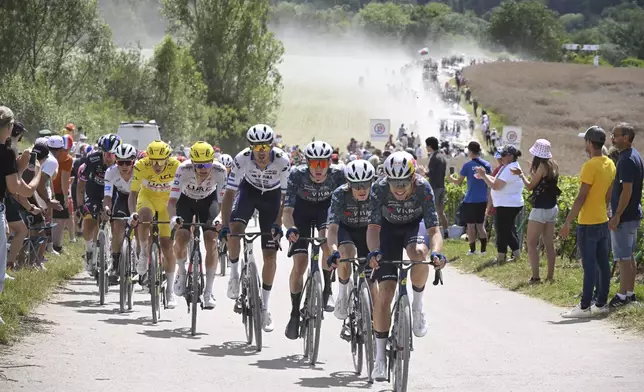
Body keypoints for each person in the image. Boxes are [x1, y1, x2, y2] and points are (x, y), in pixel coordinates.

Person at [366, 151, 446, 381]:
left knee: (420, 253)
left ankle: (418, 306)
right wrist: (374, 251)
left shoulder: (423, 188)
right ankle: (380, 359)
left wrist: (437, 252)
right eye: (394, 182)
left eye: (403, 182)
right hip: (388, 230)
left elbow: (434, 231)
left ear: (412, 178)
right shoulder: (379, 189)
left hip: (414, 226)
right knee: (385, 294)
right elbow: (372, 228)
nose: (399, 188)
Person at [219, 124, 290, 333]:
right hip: (249, 193)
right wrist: (224, 225)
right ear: (250, 147)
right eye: (256, 147)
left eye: (265, 147)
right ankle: (233, 276)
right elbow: (229, 194)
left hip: (272, 197)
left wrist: (278, 224)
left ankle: (265, 308)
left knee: (270, 255)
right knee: (235, 227)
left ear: (271, 146)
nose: (260, 152)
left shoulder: (283, 161)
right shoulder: (241, 159)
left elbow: (285, 197)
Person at [283, 140, 345, 340]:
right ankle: (294, 312)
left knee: (326, 241)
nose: (319, 169)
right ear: (307, 163)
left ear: (329, 162)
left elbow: (342, 207)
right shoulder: (296, 174)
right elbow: (287, 211)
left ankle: (327, 287)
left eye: (323, 163)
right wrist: (290, 227)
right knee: (300, 264)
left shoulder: (338, 175)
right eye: (314, 163)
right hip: (301, 211)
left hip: (324, 210)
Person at [559, 126, 616, 318]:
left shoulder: (589, 166)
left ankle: (584, 307)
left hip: (588, 223)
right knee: (603, 264)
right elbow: (608, 195)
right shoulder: (610, 163)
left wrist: (567, 222)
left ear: (590, 143)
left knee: (589, 266)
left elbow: (581, 197)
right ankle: (600, 303)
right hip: (602, 220)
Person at [168, 142, 226, 310]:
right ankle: (181, 271)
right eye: (199, 165)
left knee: (211, 240)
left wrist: (220, 218)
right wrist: (174, 218)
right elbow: (172, 201)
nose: (203, 168)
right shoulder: (183, 169)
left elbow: (224, 202)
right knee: (181, 237)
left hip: (209, 201)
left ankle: (208, 291)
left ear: (212, 162)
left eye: (207, 164)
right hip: (186, 201)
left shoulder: (220, 171)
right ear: (192, 163)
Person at [0, 106, 42, 325]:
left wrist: (21, 162)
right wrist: (36, 176)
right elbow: (18, 189)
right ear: (8, 128)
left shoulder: (8, 154)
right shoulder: (5, 151)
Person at [128, 140, 180, 307]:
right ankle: (143, 252)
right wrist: (132, 214)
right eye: (153, 161)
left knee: (167, 246)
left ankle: (170, 291)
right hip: (147, 198)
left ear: (168, 159)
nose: (156, 165)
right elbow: (133, 193)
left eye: (160, 161)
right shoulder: (141, 165)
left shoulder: (176, 166)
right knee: (143, 215)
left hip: (167, 201)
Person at [326, 159, 376, 321]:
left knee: (372, 285)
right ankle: (342, 293)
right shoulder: (340, 194)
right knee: (345, 254)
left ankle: (374, 329)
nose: (361, 189)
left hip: (369, 232)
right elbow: (332, 229)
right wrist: (333, 250)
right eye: (356, 185)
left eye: (365, 184)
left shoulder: (378, 194)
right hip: (346, 230)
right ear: (349, 184)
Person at [512, 139, 559, 282]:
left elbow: (531, 186)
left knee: (531, 243)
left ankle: (535, 277)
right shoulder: (553, 165)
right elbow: (543, 183)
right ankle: (550, 276)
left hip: (540, 209)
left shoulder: (541, 167)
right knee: (549, 243)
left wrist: (521, 175)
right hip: (552, 208)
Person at [607, 123, 642, 308]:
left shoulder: (626, 159)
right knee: (629, 256)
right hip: (633, 214)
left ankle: (621, 296)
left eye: (615, 135)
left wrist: (617, 215)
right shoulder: (635, 155)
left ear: (626, 138)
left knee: (623, 257)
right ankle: (630, 293)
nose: (612, 138)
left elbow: (626, 191)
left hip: (625, 216)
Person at [77, 134, 120, 274]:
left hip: (113, 192)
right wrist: (79, 205)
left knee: (116, 222)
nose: (109, 157)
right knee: (89, 222)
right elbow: (81, 183)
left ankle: (114, 255)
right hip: (94, 191)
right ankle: (89, 251)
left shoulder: (122, 161)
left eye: (112, 153)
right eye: (106, 153)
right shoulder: (92, 159)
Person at [476, 145, 525, 264]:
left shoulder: (509, 169)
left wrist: (483, 176)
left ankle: (501, 257)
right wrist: (484, 176)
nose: (501, 157)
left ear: (510, 156)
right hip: (506, 203)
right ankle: (515, 256)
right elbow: (496, 181)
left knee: (503, 231)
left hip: (508, 204)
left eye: (503, 155)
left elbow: (496, 186)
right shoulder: (507, 167)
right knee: (506, 230)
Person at [103, 143, 137, 283]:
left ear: (133, 162)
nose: (124, 166)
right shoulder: (111, 171)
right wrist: (106, 208)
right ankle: (116, 265)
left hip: (139, 197)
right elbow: (108, 196)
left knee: (143, 228)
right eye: (120, 162)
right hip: (122, 197)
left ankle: (142, 263)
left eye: (127, 162)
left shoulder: (140, 170)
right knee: (117, 228)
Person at [449, 141, 490, 255]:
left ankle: (472, 250)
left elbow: (458, 182)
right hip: (482, 199)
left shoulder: (467, 166)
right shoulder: (486, 165)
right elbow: (490, 180)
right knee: (481, 226)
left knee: (471, 226)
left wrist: (451, 178)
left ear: (470, 152)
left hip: (470, 199)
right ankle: (483, 250)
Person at [48, 136, 73, 253]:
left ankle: (51, 244)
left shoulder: (48, 155)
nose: (65, 153)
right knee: (61, 219)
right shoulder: (68, 159)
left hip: (47, 189)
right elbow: (64, 180)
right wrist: (65, 197)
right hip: (58, 191)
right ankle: (56, 245)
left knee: (50, 217)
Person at [425, 137, 448, 237]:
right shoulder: (442, 157)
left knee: (431, 211)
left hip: (434, 187)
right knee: (440, 211)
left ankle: (432, 233)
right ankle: (446, 232)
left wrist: (423, 172)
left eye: (426, 145)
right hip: (441, 185)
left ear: (430, 146)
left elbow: (431, 174)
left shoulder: (434, 158)